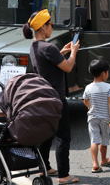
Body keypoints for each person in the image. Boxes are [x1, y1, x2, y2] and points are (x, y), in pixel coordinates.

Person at [23, 9, 80, 184]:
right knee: (63, 136)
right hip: (56, 97)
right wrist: (74, 52)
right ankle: (64, 175)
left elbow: (48, 62)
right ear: (42, 28)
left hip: (44, 97)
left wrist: (61, 52)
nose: (52, 27)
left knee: (47, 134)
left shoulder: (34, 46)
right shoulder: (49, 47)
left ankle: (44, 168)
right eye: (50, 24)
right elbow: (68, 67)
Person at [82, 59, 110, 173]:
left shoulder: (88, 87)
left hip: (92, 118)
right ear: (103, 73)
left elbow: (85, 100)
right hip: (105, 119)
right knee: (104, 141)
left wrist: (89, 107)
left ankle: (95, 163)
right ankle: (104, 160)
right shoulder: (108, 87)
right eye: (107, 72)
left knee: (94, 140)